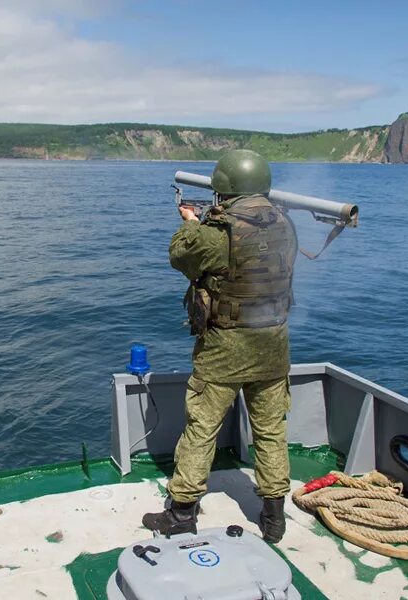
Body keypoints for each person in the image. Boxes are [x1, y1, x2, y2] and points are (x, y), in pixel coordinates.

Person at [142, 149, 297, 543]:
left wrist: (192, 223)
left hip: (226, 349)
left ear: (224, 187)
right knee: (271, 432)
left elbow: (180, 256)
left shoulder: (217, 232)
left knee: (202, 428)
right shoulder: (286, 225)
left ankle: (181, 514)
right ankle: (275, 517)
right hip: (273, 346)